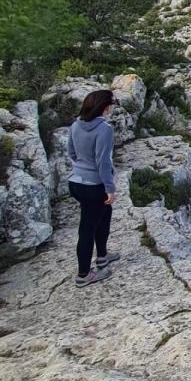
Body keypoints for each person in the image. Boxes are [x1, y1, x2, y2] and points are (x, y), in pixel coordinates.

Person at [67, 89, 122, 287]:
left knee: (104, 213)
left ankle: (102, 256)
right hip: (94, 185)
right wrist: (109, 187)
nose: (112, 107)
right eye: (111, 104)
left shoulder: (75, 125)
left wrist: (82, 167)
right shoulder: (104, 129)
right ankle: (83, 275)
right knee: (87, 228)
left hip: (76, 182)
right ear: (105, 106)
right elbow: (103, 162)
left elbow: (71, 153)